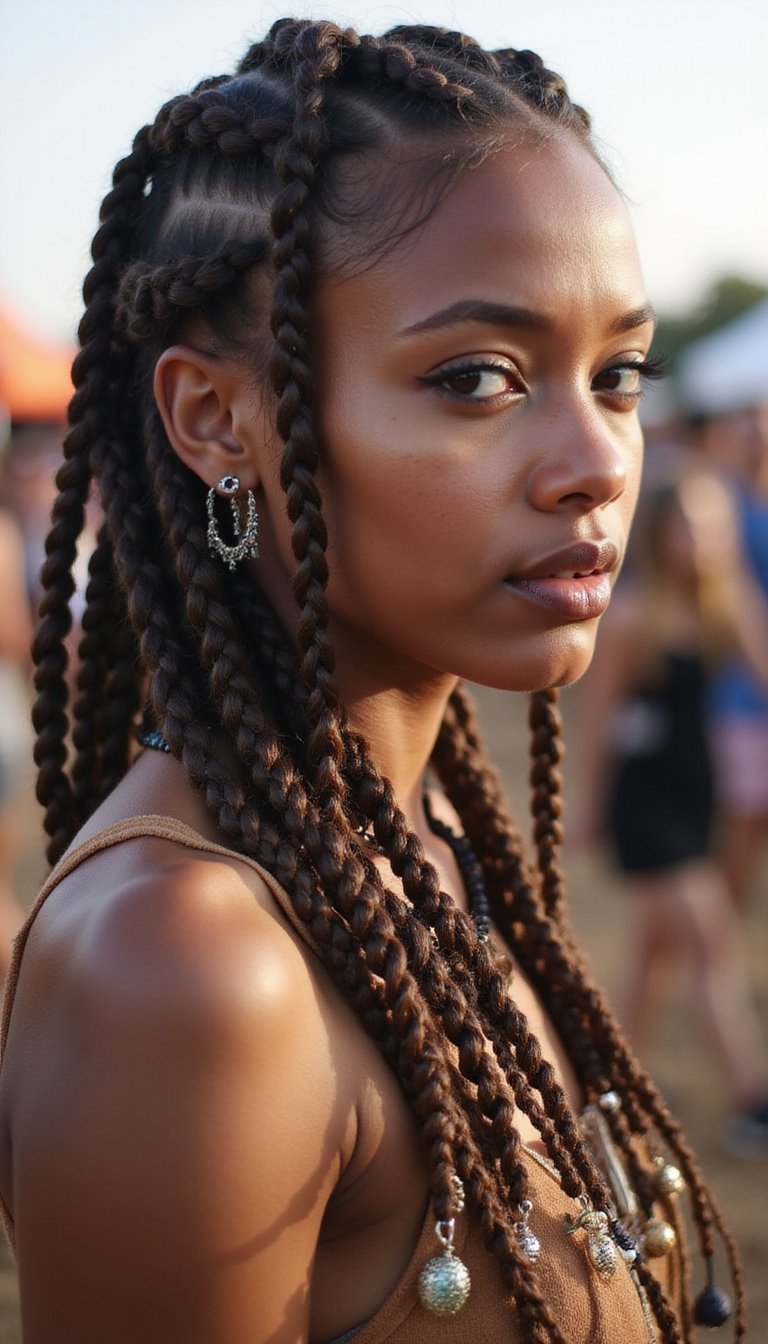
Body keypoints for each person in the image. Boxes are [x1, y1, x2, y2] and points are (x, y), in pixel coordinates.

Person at [0, 20, 742, 1344]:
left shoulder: (428, 846)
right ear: (218, 420)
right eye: (477, 379)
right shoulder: (190, 971)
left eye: (616, 374)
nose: (598, 459)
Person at [574, 469, 768, 1156]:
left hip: (697, 793)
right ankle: (755, 1098)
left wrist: (737, 581)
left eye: (715, 525)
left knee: (654, 961)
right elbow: (600, 722)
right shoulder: (631, 617)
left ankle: (606, 1084)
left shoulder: (722, 607)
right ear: (660, 534)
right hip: (645, 798)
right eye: (689, 524)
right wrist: (590, 805)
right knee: (710, 941)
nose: (703, 539)